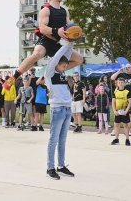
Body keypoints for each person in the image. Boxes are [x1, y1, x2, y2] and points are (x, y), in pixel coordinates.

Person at [3, 0, 83, 90]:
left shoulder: (65, 11)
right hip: (47, 41)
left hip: (59, 44)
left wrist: (75, 34)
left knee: (79, 60)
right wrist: (56, 31)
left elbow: (69, 28)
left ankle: (55, 70)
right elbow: (42, 28)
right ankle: (13, 78)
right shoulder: (46, 10)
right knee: (37, 54)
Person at [45, 42, 75, 180]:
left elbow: (65, 56)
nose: (64, 68)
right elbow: (57, 57)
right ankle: (50, 168)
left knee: (62, 140)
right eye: (62, 66)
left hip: (67, 109)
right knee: (53, 139)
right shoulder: (49, 73)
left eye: (65, 67)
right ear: (56, 64)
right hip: (57, 109)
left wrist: (72, 43)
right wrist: (66, 44)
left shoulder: (62, 73)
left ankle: (61, 166)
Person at [111, 63, 131, 136]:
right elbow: (112, 78)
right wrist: (119, 71)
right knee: (117, 114)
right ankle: (115, 130)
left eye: (129, 67)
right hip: (120, 97)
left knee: (130, 114)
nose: (128, 68)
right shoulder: (121, 75)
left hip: (130, 98)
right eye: (126, 67)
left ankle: (127, 131)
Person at [111, 78, 131, 146]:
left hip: (124, 111)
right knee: (116, 125)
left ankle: (127, 140)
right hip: (117, 111)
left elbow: (130, 102)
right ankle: (116, 139)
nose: (121, 84)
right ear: (117, 84)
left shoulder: (127, 92)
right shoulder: (115, 92)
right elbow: (113, 102)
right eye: (119, 83)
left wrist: (126, 111)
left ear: (124, 83)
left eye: (122, 82)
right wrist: (114, 110)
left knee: (125, 125)